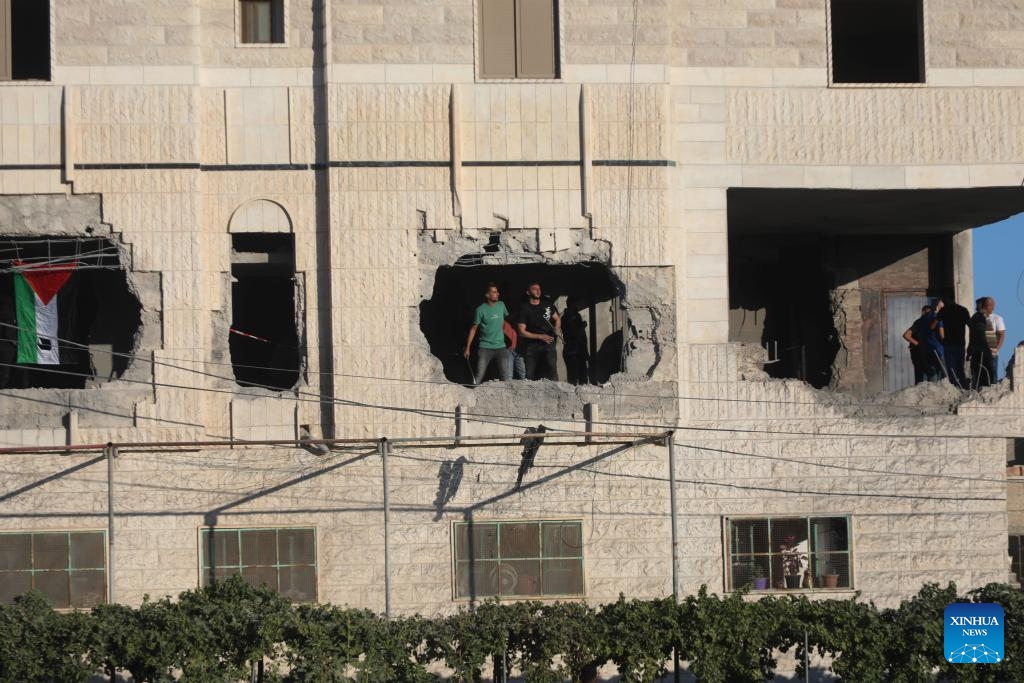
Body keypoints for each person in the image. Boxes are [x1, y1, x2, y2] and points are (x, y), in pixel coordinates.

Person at [463, 283, 511, 384]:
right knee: (479, 374)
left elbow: (506, 321)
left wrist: (511, 338)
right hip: (485, 347)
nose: (498, 294)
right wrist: (467, 348)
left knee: (505, 376)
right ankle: (473, 391)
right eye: (494, 292)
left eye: (497, 292)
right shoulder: (480, 310)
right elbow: (473, 329)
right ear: (487, 295)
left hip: (501, 347)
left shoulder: (501, 305)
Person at [517, 282, 561, 381]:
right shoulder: (524, 309)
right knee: (530, 373)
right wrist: (540, 337)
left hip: (549, 341)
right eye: (534, 289)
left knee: (552, 370)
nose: (538, 291)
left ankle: (556, 389)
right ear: (528, 292)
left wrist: (557, 328)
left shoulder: (548, 305)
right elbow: (521, 332)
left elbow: (557, 319)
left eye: (539, 289)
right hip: (532, 345)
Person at [968, 296, 1005, 388]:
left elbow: (1001, 335)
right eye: (992, 306)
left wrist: (995, 349)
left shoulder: (996, 318)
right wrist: (970, 350)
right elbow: (972, 335)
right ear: (987, 306)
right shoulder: (976, 317)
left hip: (991, 352)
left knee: (992, 378)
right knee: (978, 376)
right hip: (978, 352)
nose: (993, 308)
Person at [903, 304, 944, 384]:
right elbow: (906, 335)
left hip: (923, 353)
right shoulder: (920, 322)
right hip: (921, 353)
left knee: (926, 376)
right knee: (929, 375)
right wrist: (918, 344)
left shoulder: (921, 322)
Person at [936, 297, 970, 389]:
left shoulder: (944, 310)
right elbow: (970, 325)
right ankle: (964, 388)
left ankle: (955, 388)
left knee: (951, 369)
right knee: (960, 369)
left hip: (949, 344)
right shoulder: (963, 310)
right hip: (960, 343)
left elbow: (933, 325)